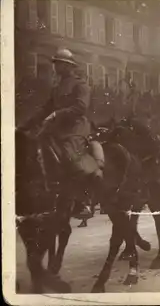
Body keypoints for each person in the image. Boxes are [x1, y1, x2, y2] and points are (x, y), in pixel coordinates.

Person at [18, 48, 102, 219]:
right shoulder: (57, 87)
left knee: (71, 156)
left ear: (69, 66)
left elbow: (80, 108)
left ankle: (83, 200)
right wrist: (21, 127)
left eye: (60, 64)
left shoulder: (81, 85)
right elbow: (44, 110)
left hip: (76, 127)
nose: (56, 67)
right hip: (56, 128)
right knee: (34, 151)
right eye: (56, 64)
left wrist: (57, 114)